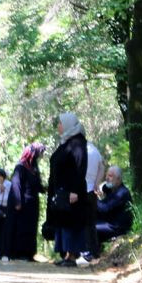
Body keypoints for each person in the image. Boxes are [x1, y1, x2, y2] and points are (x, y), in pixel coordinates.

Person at [48, 111, 90, 268]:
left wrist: (75, 190)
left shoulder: (78, 143)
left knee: (71, 223)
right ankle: (66, 254)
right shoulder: (66, 142)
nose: (58, 126)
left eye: (60, 123)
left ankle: (72, 255)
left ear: (67, 125)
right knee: (64, 222)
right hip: (62, 191)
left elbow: (80, 167)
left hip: (72, 192)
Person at [0, 143, 45, 261]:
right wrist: (18, 202)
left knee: (30, 229)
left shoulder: (33, 168)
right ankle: (17, 253)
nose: (39, 157)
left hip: (31, 205)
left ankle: (29, 254)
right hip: (21, 205)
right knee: (19, 228)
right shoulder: (20, 167)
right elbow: (16, 185)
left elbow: (36, 184)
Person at [95, 165, 134, 247]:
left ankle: (93, 252)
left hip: (117, 227)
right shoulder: (112, 190)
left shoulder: (122, 193)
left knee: (90, 227)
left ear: (118, 179)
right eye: (106, 175)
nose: (107, 178)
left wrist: (92, 198)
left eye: (110, 176)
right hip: (109, 222)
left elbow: (104, 208)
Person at [83, 137, 107, 260]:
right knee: (91, 223)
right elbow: (102, 167)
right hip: (92, 190)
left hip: (82, 191)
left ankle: (87, 250)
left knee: (84, 223)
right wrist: (97, 183)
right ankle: (94, 251)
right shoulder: (95, 151)